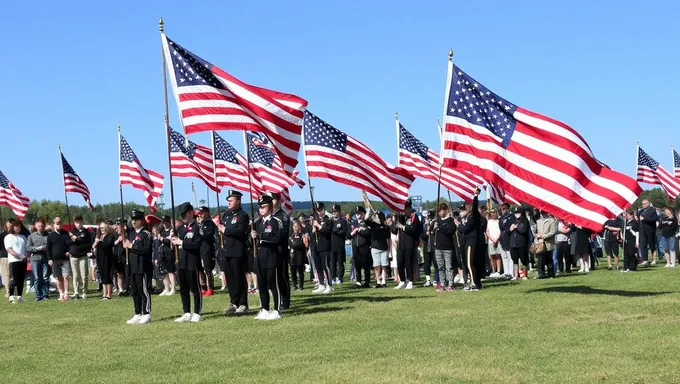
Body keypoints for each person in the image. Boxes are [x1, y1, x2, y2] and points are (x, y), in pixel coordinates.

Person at [252, 195, 284, 320]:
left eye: (263, 207)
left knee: (273, 284)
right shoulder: (258, 223)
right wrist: (252, 236)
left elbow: (277, 239)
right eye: (259, 207)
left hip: (272, 257)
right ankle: (265, 308)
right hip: (260, 257)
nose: (261, 209)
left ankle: (276, 309)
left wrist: (261, 237)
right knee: (262, 285)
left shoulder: (275, 221)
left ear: (270, 207)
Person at [172, 202, 204, 323]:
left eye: (184, 214)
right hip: (181, 261)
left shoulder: (197, 227)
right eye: (181, 215)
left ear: (190, 212)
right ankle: (186, 312)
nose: (183, 217)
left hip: (192, 261)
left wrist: (181, 242)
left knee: (195, 289)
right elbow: (176, 244)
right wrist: (173, 239)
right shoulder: (180, 228)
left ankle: (197, 311)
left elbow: (197, 244)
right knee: (184, 289)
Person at [219, 190, 250, 315]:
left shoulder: (243, 215)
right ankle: (234, 301)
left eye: (231, 200)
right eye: (228, 200)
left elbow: (240, 231)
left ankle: (243, 303)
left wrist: (225, 229)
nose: (228, 203)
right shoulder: (226, 215)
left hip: (237, 250)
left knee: (239, 278)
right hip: (227, 251)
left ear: (238, 201)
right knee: (230, 278)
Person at [123, 210, 153, 324]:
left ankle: (147, 313)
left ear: (141, 221)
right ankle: (137, 313)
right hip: (133, 266)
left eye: (136, 220)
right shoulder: (132, 234)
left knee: (143, 290)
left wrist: (132, 246)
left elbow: (146, 249)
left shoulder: (146, 234)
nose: (134, 222)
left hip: (142, 266)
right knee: (134, 290)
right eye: (133, 220)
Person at [456, 188, 483, 290]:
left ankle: (474, 283)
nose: (466, 207)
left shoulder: (473, 216)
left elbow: (465, 229)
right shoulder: (468, 217)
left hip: (472, 240)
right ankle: (475, 281)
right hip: (467, 240)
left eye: (468, 205)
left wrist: (475, 196)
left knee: (469, 262)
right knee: (470, 262)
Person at [270, 192, 291, 309]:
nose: (271, 202)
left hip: (280, 250)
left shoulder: (282, 216)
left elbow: (282, 234)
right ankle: (277, 298)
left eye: (272, 200)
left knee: (282, 276)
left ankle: (285, 299)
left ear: (278, 201)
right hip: (271, 251)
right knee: (273, 276)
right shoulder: (270, 215)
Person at [394, 199, 422, 289]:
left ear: (409, 208)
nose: (404, 211)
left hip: (410, 243)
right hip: (401, 243)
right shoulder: (401, 218)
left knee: (408, 263)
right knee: (399, 262)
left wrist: (403, 227)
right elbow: (394, 229)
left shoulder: (414, 217)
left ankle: (410, 281)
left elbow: (414, 230)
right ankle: (402, 280)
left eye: (405, 209)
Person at [47, 217, 72, 301]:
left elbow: (70, 245)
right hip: (55, 260)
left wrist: (69, 251)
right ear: (53, 225)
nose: (59, 225)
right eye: (57, 224)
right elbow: (48, 249)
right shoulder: (50, 235)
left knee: (66, 277)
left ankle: (66, 293)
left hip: (65, 259)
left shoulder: (66, 233)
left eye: (60, 223)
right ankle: (61, 293)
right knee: (58, 277)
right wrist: (49, 259)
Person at [434, 203, 456, 291]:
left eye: (441, 210)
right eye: (438, 211)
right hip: (438, 247)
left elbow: (450, 231)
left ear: (445, 210)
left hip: (447, 247)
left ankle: (450, 283)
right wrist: (435, 227)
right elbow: (432, 232)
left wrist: (440, 228)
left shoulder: (450, 220)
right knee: (440, 267)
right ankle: (442, 284)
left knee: (448, 267)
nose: (439, 213)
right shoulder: (438, 221)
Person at [311, 202, 333, 294]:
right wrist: (313, 227)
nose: (319, 212)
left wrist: (318, 226)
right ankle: (321, 284)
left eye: (320, 209)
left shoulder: (328, 219)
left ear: (323, 208)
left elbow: (327, 231)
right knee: (318, 267)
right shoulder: (314, 220)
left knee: (326, 266)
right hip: (316, 246)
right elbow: (311, 234)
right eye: (317, 210)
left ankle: (329, 285)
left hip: (324, 246)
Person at [68, 215, 92, 299]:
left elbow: (86, 242)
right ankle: (76, 291)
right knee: (75, 275)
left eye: (79, 222)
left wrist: (76, 239)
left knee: (84, 275)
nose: (78, 224)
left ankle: (84, 291)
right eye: (76, 222)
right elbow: (68, 242)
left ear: (82, 222)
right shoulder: (72, 231)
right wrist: (72, 239)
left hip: (83, 256)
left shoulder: (86, 232)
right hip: (74, 256)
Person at [4, 220, 28, 303]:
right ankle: (11, 296)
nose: (18, 228)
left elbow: (25, 248)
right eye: (16, 226)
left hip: (23, 261)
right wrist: (19, 256)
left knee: (21, 279)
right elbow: (9, 249)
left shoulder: (23, 237)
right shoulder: (8, 237)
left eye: (19, 226)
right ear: (13, 227)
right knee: (13, 279)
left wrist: (25, 256)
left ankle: (20, 296)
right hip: (13, 260)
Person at [26, 218, 49, 301]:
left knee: (45, 277)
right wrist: (37, 248)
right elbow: (28, 247)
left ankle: (45, 295)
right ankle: (38, 295)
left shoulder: (48, 235)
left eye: (42, 226)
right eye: (39, 226)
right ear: (35, 226)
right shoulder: (31, 236)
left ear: (44, 226)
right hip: (35, 259)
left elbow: (51, 246)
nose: (40, 227)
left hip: (45, 258)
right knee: (37, 278)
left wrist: (46, 248)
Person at [351, 205, 372, 288]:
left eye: (360, 214)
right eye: (357, 214)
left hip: (364, 246)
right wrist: (352, 232)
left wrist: (359, 230)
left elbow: (368, 233)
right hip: (355, 246)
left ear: (364, 214)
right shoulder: (354, 223)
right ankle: (358, 281)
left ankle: (367, 281)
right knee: (357, 264)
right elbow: (349, 234)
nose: (358, 216)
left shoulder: (367, 223)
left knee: (366, 265)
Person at [93, 221, 116, 300]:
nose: (102, 229)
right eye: (101, 228)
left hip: (107, 258)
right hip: (100, 258)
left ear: (107, 228)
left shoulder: (110, 236)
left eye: (103, 228)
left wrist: (99, 242)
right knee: (102, 276)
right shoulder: (100, 236)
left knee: (107, 276)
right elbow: (93, 246)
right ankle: (104, 294)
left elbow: (107, 245)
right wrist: (96, 242)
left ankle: (109, 294)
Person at [198, 206, 217, 296]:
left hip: (207, 247)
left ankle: (210, 287)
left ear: (206, 213)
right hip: (200, 247)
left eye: (202, 213)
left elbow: (208, 235)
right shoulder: (199, 223)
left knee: (207, 268)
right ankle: (203, 287)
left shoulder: (209, 223)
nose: (200, 215)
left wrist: (201, 229)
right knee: (200, 269)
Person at [328, 204, 348, 286]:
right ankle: (333, 277)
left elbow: (344, 231)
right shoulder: (331, 221)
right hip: (332, 245)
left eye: (335, 212)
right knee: (332, 262)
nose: (334, 213)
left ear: (339, 212)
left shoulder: (343, 221)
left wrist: (336, 231)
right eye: (333, 212)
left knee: (340, 262)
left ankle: (340, 277)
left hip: (340, 244)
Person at [535, 211, 557, 279]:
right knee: (540, 259)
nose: (542, 214)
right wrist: (537, 236)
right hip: (540, 243)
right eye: (541, 213)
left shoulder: (552, 221)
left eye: (543, 212)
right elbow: (537, 231)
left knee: (549, 259)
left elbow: (553, 232)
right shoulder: (538, 221)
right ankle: (541, 274)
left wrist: (543, 236)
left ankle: (551, 273)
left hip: (549, 243)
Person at [510, 208, 530, 280]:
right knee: (514, 260)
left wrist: (517, 228)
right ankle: (516, 275)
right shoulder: (513, 221)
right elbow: (508, 231)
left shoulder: (525, 221)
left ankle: (525, 275)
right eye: (515, 213)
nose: (516, 215)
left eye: (518, 213)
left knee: (523, 259)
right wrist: (510, 229)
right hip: (513, 243)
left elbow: (525, 231)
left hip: (521, 243)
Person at [498, 203, 516, 279]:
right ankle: (506, 272)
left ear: (508, 208)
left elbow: (509, 227)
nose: (503, 211)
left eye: (504, 209)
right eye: (502, 209)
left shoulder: (512, 217)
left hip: (509, 238)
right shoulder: (501, 218)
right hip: (502, 239)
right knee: (504, 257)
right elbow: (500, 227)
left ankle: (511, 273)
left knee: (510, 256)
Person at [638, 199, 658, 266]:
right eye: (642, 203)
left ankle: (654, 259)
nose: (643, 205)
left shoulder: (653, 210)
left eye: (645, 203)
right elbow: (638, 220)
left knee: (652, 245)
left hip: (650, 230)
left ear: (648, 203)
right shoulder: (641, 211)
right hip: (642, 231)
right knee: (643, 245)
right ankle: (645, 260)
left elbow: (655, 219)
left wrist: (645, 219)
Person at [289, 221, 308, 290]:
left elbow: (301, 245)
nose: (295, 228)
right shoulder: (291, 236)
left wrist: (293, 246)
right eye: (294, 227)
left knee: (300, 272)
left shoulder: (302, 235)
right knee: (293, 272)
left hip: (300, 255)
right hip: (292, 256)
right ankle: (294, 285)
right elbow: (289, 244)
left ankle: (301, 285)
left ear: (299, 227)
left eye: (296, 226)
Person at [421, 210, 437, 287]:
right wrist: (426, 233)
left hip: (434, 246)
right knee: (427, 264)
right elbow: (422, 236)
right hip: (427, 246)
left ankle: (436, 279)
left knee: (436, 263)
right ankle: (428, 279)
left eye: (430, 216)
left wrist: (432, 230)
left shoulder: (435, 223)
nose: (429, 218)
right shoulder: (424, 225)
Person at [486, 209, 502, 278]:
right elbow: (487, 232)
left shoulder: (499, 221)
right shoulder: (489, 222)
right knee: (492, 256)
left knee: (498, 256)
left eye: (494, 212)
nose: (492, 214)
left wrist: (497, 239)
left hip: (498, 240)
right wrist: (492, 239)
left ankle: (498, 271)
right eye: (491, 212)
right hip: (491, 240)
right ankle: (493, 270)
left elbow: (500, 230)